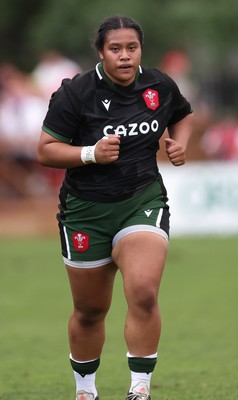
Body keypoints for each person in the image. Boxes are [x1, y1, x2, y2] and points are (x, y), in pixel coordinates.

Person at [37, 15, 193, 400]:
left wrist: (179, 142)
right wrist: (90, 153)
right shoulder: (75, 93)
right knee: (90, 310)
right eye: (115, 49)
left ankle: (139, 389)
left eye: (132, 48)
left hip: (142, 200)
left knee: (142, 291)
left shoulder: (158, 84)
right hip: (86, 212)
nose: (125, 56)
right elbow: (45, 150)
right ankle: (85, 390)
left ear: (141, 50)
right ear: (101, 53)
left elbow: (183, 114)